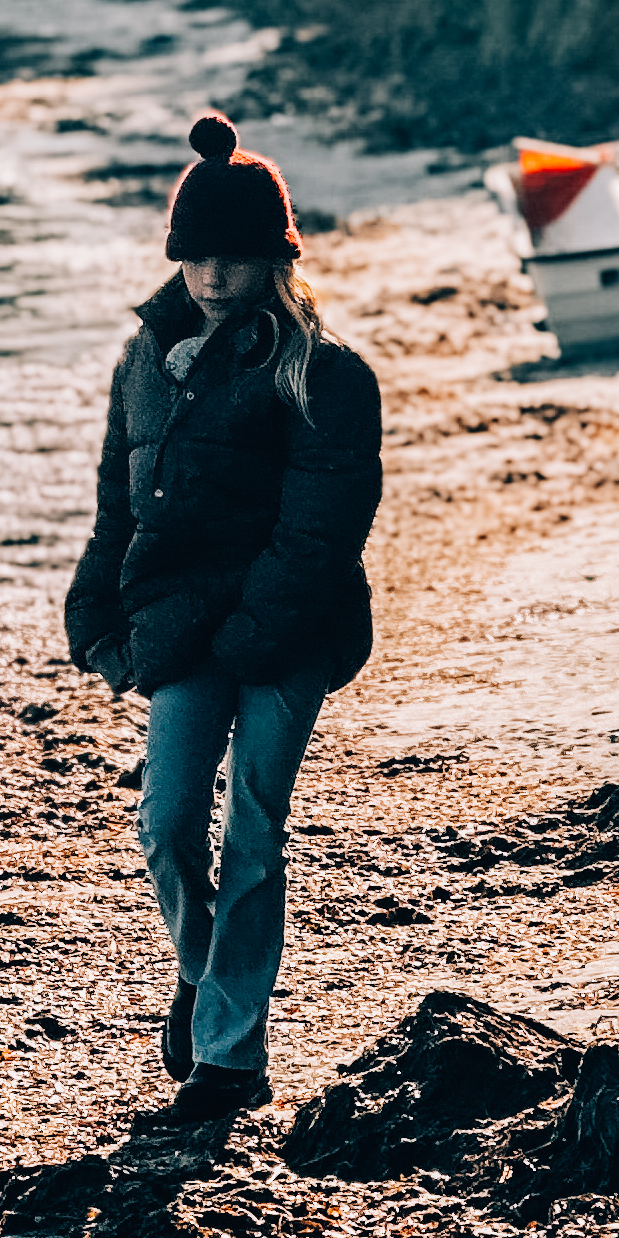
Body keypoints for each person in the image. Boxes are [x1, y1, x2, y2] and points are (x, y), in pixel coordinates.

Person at [60, 111, 381, 1121]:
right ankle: (204, 972)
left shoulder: (327, 374)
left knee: (252, 831)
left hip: (292, 632)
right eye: (195, 259)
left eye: (233, 261)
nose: (211, 278)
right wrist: (97, 607)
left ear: (273, 261)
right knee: (164, 830)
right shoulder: (145, 361)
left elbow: (322, 530)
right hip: (181, 626)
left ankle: (231, 1059)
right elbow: (122, 496)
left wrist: (254, 633)